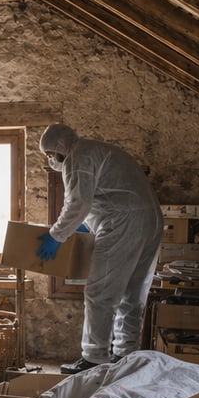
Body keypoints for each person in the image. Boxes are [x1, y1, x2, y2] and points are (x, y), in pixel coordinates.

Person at [35, 123, 162, 374]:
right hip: (150, 220)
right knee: (132, 293)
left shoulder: (77, 157)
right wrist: (83, 226)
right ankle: (126, 355)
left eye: (50, 156)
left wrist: (56, 235)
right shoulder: (96, 150)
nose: (52, 161)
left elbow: (78, 203)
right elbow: (105, 193)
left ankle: (94, 357)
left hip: (122, 221)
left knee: (100, 292)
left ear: (59, 148)